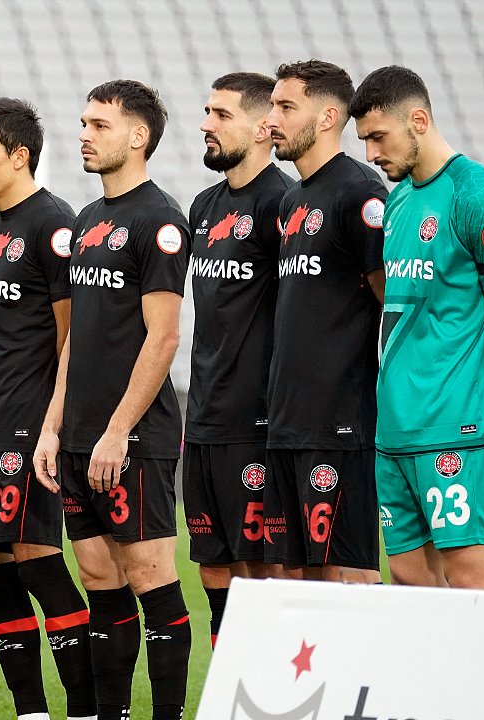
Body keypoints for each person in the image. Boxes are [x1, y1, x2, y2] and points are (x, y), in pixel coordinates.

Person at [34, 79, 191, 720]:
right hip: (76, 437)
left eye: (98, 124)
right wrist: (53, 427)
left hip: (134, 438)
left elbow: (163, 337)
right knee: (99, 577)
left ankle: (168, 714)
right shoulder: (89, 222)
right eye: (83, 122)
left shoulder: (160, 220)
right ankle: (110, 712)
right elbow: (76, 342)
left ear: (137, 135)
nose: (84, 134)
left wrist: (118, 430)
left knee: (151, 574)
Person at [350, 66, 484, 589]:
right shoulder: (402, 198)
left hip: (457, 422)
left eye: (378, 137)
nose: (370, 154)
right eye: (363, 140)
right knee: (409, 578)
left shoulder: (477, 195)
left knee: (471, 575)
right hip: (397, 425)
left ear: (419, 119)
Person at [0, 96, 95, 720]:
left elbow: (72, 335)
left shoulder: (51, 223)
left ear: (20, 155)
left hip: (24, 426)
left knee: (38, 562)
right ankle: (31, 711)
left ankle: (85, 708)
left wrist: (51, 425)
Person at [262, 60, 386, 585]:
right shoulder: (292, 199)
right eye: (272, 106)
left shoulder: (361, 192)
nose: (272, 120)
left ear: (329, 116)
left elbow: (389, 301)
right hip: (287, 419)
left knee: (347, 577)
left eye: (287, 107)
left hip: (339, 422)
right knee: (290, 580)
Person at [183, 72, 289, 645]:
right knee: (214, 564)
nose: (206, 124)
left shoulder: (283, 203)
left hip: (260, 419)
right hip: (204, 413)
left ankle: (275, 692)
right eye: (207, 111)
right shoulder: (204, 204)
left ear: (263, 125)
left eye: (221, 114)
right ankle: (233, 688)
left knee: (263, 566)